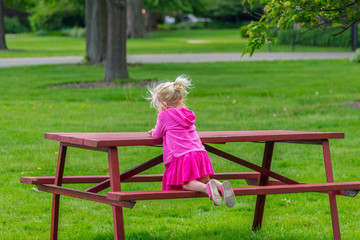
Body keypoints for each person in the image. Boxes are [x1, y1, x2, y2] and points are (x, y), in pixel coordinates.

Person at [147, 75, 236, 207]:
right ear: (180, 98)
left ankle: (207, 190)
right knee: (206, 181)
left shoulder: (165, 115)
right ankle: (221, 186)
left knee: (187, 183)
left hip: (183, 155)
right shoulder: (186, 113)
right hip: (200, 153)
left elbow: (157, 134)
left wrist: (153, 131)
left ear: (164, 105)